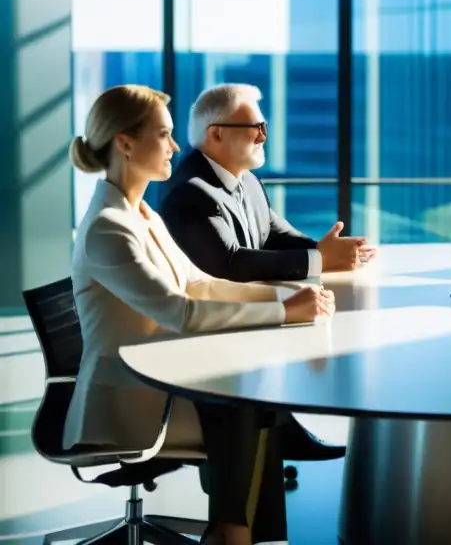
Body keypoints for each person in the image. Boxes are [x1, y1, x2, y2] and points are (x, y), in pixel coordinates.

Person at [65, 85, 334, 545]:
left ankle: (242, 530)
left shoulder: (141, 213)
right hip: (126, 398)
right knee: (245, 399)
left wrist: (281, 301)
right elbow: (179, 312)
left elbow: (198, 283)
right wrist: (282, 313)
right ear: (125, 143)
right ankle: (234, 531)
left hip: (158, 375)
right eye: (164, 135)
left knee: (249, 390)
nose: (174, 146)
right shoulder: (108, 229)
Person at [160, 83, 375, 283]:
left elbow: (275, 235)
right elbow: (229, 263)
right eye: (255, 127)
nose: (263, 137)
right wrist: (320, 259)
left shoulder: (249, 181)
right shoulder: (190, 192)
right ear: (217, 134)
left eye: (264, 127)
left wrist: (333, 250)